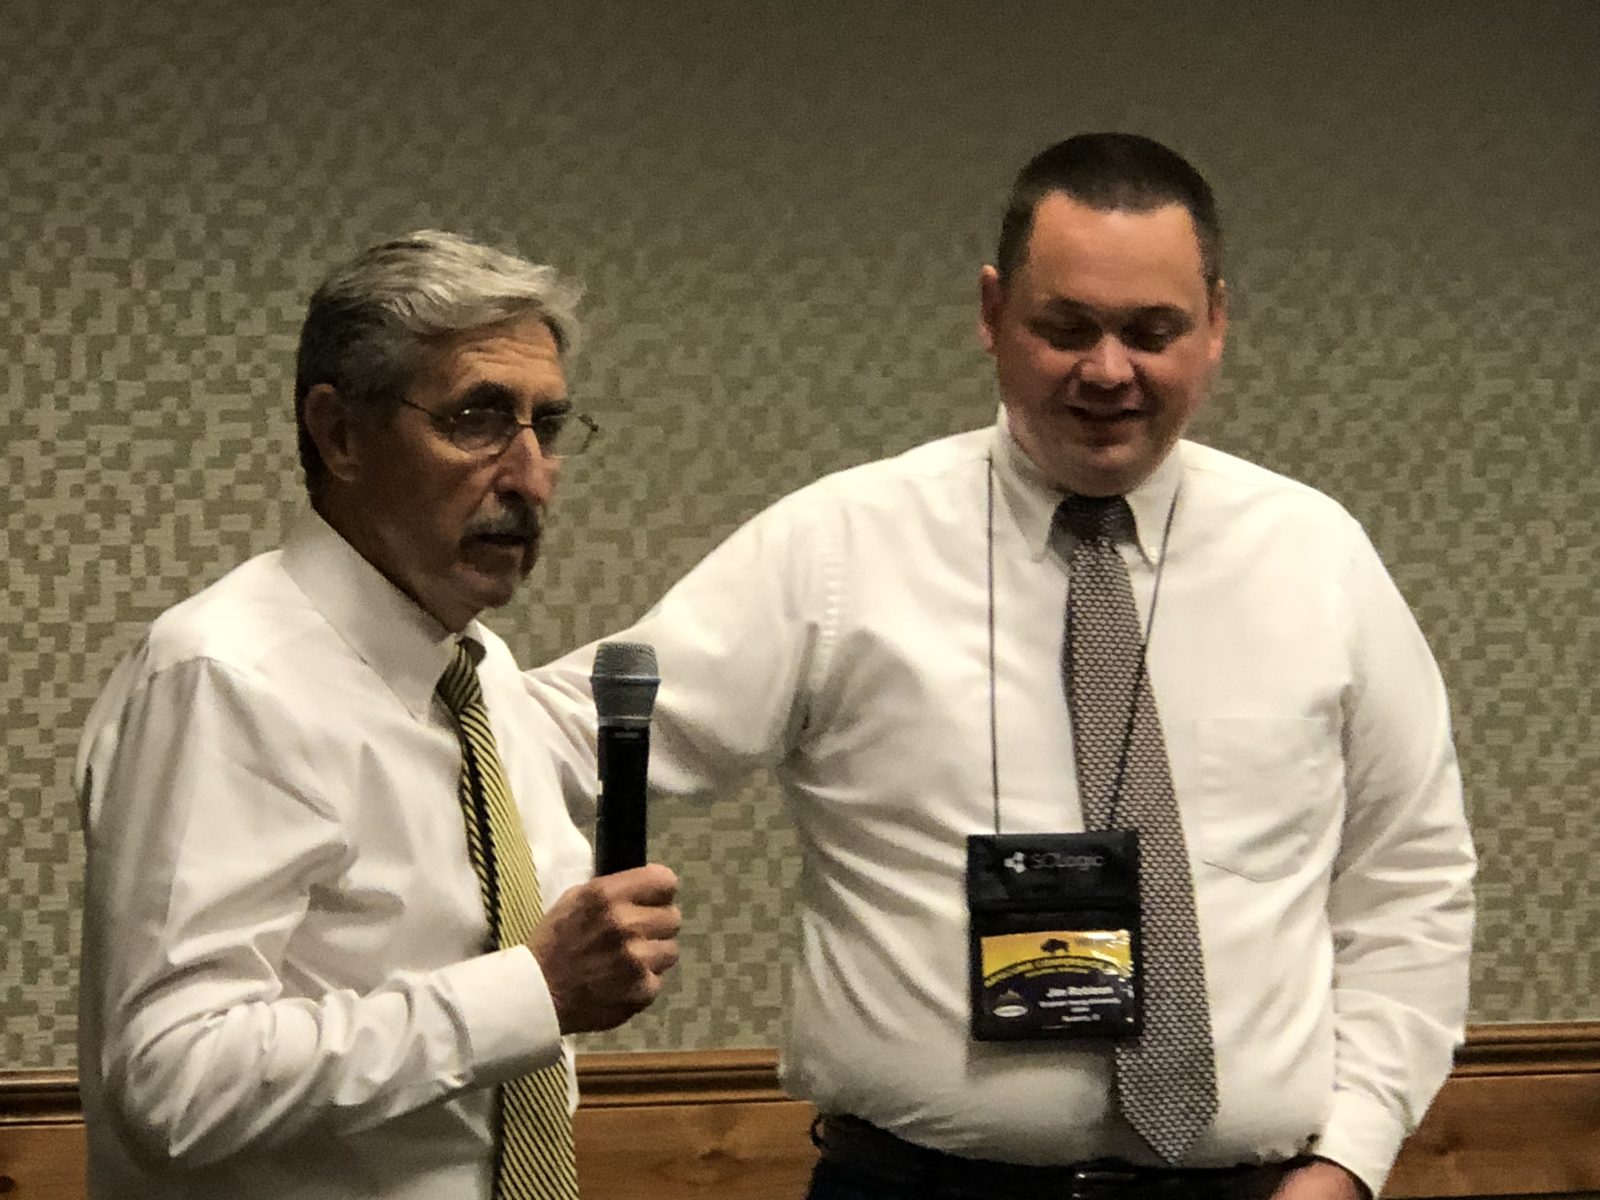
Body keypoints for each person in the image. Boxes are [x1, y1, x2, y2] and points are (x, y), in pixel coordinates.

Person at [529, 134, 1474, 1200]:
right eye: (1065, 326)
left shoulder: (1316, 557)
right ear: (991, 314)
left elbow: (1413, 883)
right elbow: (553, 733)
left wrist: (1350, 1155)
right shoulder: (843, 548)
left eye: (1150, 331)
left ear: (1215, 325)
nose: (1107, 370)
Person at [75, 230, 682, 1199]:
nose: (529, 477)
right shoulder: (225, 675)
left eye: (548, 426)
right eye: (478, 418)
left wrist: (578, 965)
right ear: (340, 433)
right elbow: (173, 1081)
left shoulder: (479, 671)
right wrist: (533, 990)